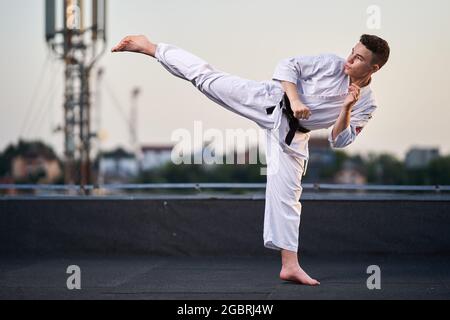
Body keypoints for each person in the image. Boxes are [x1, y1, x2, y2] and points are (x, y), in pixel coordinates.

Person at [111, 34, 390, 286]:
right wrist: (294, 100)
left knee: (288, 196)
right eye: (352, 52)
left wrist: (346, 109)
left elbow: (338, 141)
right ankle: (152, 47)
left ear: (373, 68)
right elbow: (286, 67)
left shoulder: (367, 104)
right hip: (270, 102)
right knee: (206, 80)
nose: (349, 60)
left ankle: (289, 266)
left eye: (358, 59)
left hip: (294, 138)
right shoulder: (331, 63)